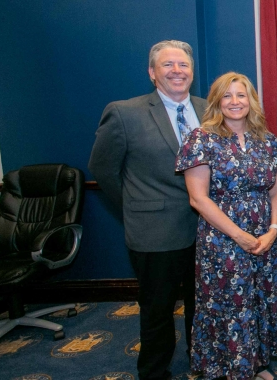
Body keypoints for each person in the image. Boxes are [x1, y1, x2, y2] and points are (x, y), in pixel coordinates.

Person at [88, 40, 204, 379]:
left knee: (204, 305)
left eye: (183, 65)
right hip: (154, 232)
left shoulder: (209, 108)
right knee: (158, 310)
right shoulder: (125, 112)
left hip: (207, 228)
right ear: (153, 73)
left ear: (192, 72)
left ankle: (201, 359)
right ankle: (154, 371)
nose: (177, 71)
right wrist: (138, 206)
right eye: (167, 65)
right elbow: (103, 168)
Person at [175, 72, 277, 380]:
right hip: (223, 242)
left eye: (241, 95)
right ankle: (230, 367)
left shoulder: (266, 140)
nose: (235, 102)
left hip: (265, 239)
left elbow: (276, 190)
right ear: (217, 101)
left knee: (260, 298)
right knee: (230, 304)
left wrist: (274, 230)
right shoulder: (201, 138)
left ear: (251, 101)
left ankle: (256, 362)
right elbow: (198, 199)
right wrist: (239, 236)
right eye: (227, 96)